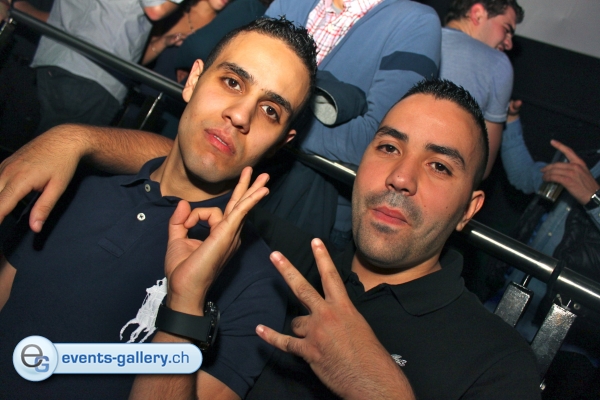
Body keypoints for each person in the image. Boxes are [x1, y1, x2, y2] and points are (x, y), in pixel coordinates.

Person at [0, 80, 541, 399]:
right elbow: (198, 166)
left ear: (470, 209)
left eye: (440, 166)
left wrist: (379, 389)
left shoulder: (497, 359)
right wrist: (74, 138)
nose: (401, 177)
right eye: (388, 148)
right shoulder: (279, 260)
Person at [0, 17, 317, 399]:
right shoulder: (76, 188)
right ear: (193, 80)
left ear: (282, 142)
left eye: (270, 111)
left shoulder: (257, 285)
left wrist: (186, 302)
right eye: (232, 82)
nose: (240, 115)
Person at [259, 0, 441, 247]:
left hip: (313, 210)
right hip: (241, 177)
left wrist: (268, 119)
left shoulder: (416, 22)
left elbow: (380, 143)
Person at [30, 0, 183, 135]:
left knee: (40, 146)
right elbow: (157, 9)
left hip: (56, 55)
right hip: (91, 73)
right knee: (58, 152)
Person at [441, 0, 523, 178]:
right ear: (477, 14)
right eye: (506, 29)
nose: (509, 44)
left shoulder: (412, 35)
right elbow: (481, 168)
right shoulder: (497, 64)